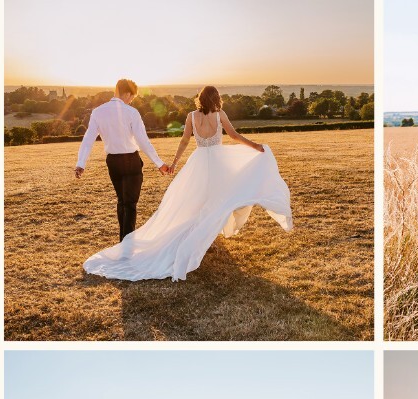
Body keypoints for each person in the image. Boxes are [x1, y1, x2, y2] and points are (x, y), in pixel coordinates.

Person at [83, 85, 293, 281]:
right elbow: (234, 135)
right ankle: (205, 232)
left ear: (199, 99)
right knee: (224, 195)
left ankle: (207, 231)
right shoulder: (220, 115)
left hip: (199, 161)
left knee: (199, 198)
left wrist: (174, 163)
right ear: (217, 99)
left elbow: (184, 141)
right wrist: (255, 146)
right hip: (218, 161)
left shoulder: (191, 116)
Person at [75, 79, 171, 241]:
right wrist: (159, 163)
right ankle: (126, 245)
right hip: (131, 161)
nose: (131, 101)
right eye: (131, 97)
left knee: (122, 201)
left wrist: (81, 163)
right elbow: (143, 141)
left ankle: (123, 241)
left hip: (112, 162)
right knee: (130, 204)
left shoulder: (98, 112)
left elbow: (88, 139)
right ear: (127, 93)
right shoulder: (131, 112)